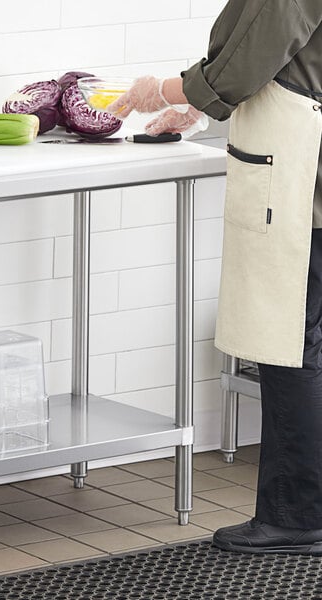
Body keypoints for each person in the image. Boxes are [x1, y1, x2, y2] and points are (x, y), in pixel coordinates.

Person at [111, 0, 322, 555]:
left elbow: (243, 66)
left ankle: (300, 516)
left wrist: (165, 90)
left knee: (291, 336)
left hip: (304, 172)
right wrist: (199, 105)